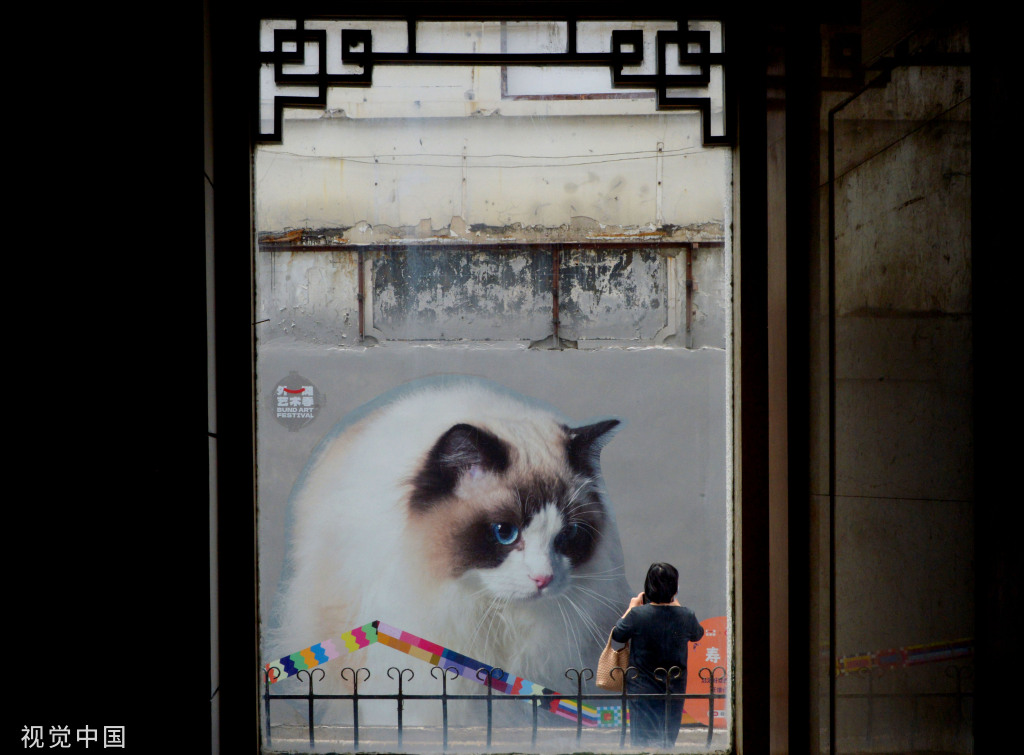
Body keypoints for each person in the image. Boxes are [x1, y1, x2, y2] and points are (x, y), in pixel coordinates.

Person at [611, 562, 704, 748]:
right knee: (667, 741)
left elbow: (618, 635)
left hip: (642, 688)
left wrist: (631, 606)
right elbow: (697, 634)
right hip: (673, 687)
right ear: (675, 588)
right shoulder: (686, 615)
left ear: (648, 587)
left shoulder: (638, 615)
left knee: (641, 742)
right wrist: (675, 602)